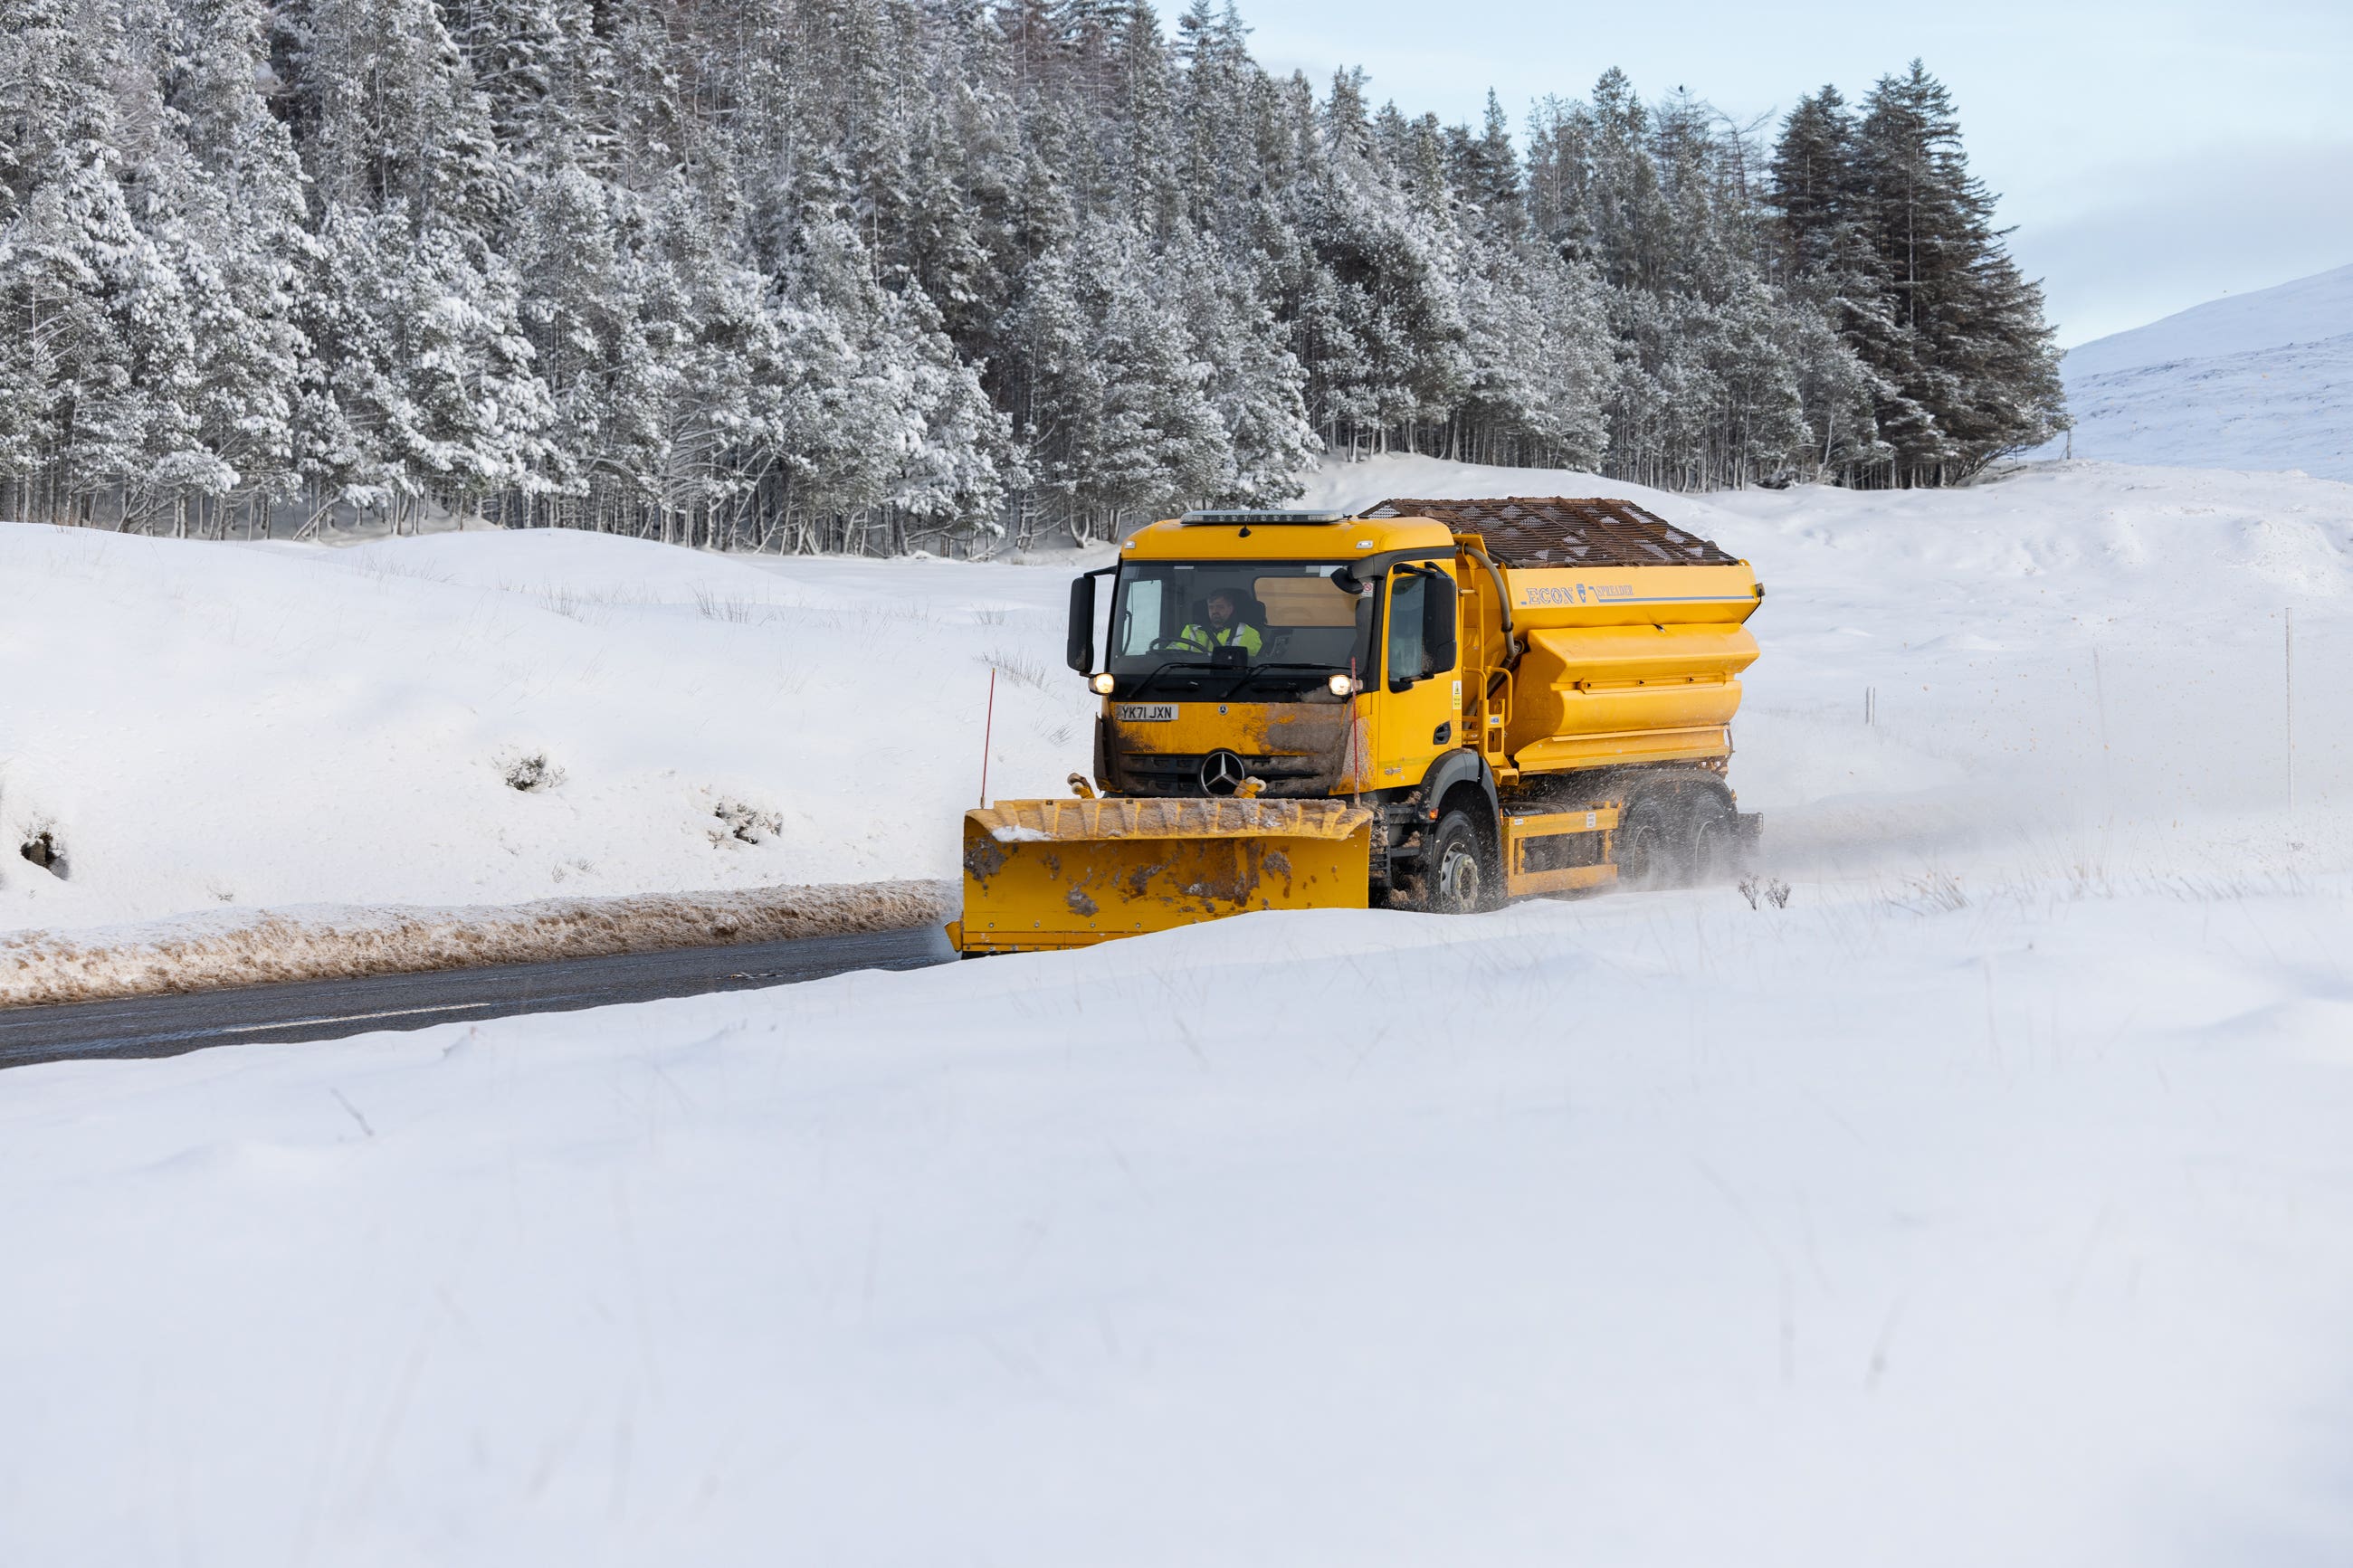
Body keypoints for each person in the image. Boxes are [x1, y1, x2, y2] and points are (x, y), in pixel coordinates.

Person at [1174, 589, 1262, 659]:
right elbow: (1173, 656)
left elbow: (1252, 664)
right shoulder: (1191, 630)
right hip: (1194, 676)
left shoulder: (1248, 633)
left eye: (1220, 607)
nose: (1215, 611)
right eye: (1211, 607)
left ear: (1230, 609)